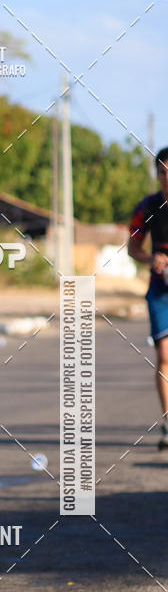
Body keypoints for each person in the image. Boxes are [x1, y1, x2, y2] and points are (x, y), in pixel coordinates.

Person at [128, 147, 168, 450]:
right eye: (162, 172)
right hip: (159, 292)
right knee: (165, 357)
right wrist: (150, 258)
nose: (167, 179)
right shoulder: (149, 206)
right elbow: (133, 248)